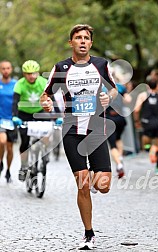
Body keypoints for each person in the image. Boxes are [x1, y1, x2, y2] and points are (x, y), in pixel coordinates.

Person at [40, 24, 118, 250]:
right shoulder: (61, 67)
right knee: (82, 184)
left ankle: (96, 180)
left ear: (91, 43)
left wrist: (108, 98)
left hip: (96, 131)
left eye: (86, 38)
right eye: (78, 38)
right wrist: (45, 103)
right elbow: (45, 95)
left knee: (103, 186)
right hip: (72, 132)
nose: (82, 41)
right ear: (71, 42)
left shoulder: (101, 65)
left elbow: (113, 89)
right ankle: (89, 233)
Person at [12, 60, 48, 181]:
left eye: (34, 73)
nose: (31, 76)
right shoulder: (20, 84)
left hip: (39, 112)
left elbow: (51, 99)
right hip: (24, 114)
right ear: (24, 74)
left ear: (38, 73)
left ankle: (44, 153)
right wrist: (14, 116)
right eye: (28, 73)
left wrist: (57, 116)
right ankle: (23, 166)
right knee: (25, 141)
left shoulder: (43, 82)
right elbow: (15, 102)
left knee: (47, 132)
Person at [133, 77, 158, 175]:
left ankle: (150, 149)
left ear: (147, 85)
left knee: (146, 145)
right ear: (157, 86)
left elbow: (136, 110)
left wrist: (137, 121)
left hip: (146, 123)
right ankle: (157, 168)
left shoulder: (143, 95)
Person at [105, 80, 131, 179]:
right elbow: (128, 100)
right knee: (119, 139)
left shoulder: (102, 87)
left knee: (112, 145)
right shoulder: (121, 87)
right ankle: (120, 158)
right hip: (120, 118)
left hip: (109, 119)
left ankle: (119, 164)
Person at [0, 60, 17, 182]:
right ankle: (0, 161)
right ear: (0, 70)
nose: (6, 70)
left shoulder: (16, 84)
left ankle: (8, 170)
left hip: (12, 119)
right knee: (2, 142)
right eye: (3, 68)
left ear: (10, 69)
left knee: (10, 148)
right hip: (0, 119)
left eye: (8, 68)